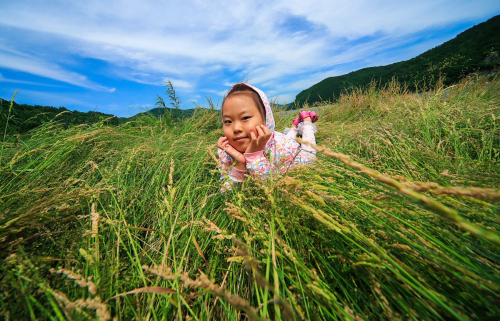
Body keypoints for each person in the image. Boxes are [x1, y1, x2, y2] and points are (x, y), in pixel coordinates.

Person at [217, 83, 319, 191]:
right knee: (288, 136)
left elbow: (272, 190)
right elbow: (225, 195)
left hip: (286, 144)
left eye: (245, 118)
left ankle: (306, 122)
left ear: (266, 119)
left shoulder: (285, 148)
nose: (236, 128)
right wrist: (239, 164)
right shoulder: (227, 152)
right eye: (228, 121)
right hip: (281, 139)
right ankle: (294, 126)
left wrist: (254, 157)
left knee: (309, 156)